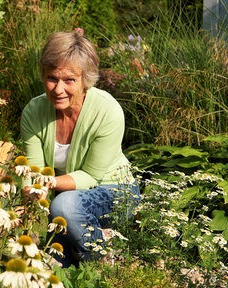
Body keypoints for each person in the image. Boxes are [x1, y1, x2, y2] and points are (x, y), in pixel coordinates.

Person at [20, 29, 139, 267]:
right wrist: (31, 191)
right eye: (52, 78)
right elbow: (34, 171)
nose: (58, 89)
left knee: (63, 205)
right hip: (67, 197)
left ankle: (99, 264)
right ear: (43, 75)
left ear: (86, 80)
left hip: (114, 191)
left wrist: (50, 183)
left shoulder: (107, 110)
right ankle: (81, 253)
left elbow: (91, 176)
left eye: (69, 80)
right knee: (48, 265)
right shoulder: (34, 111)